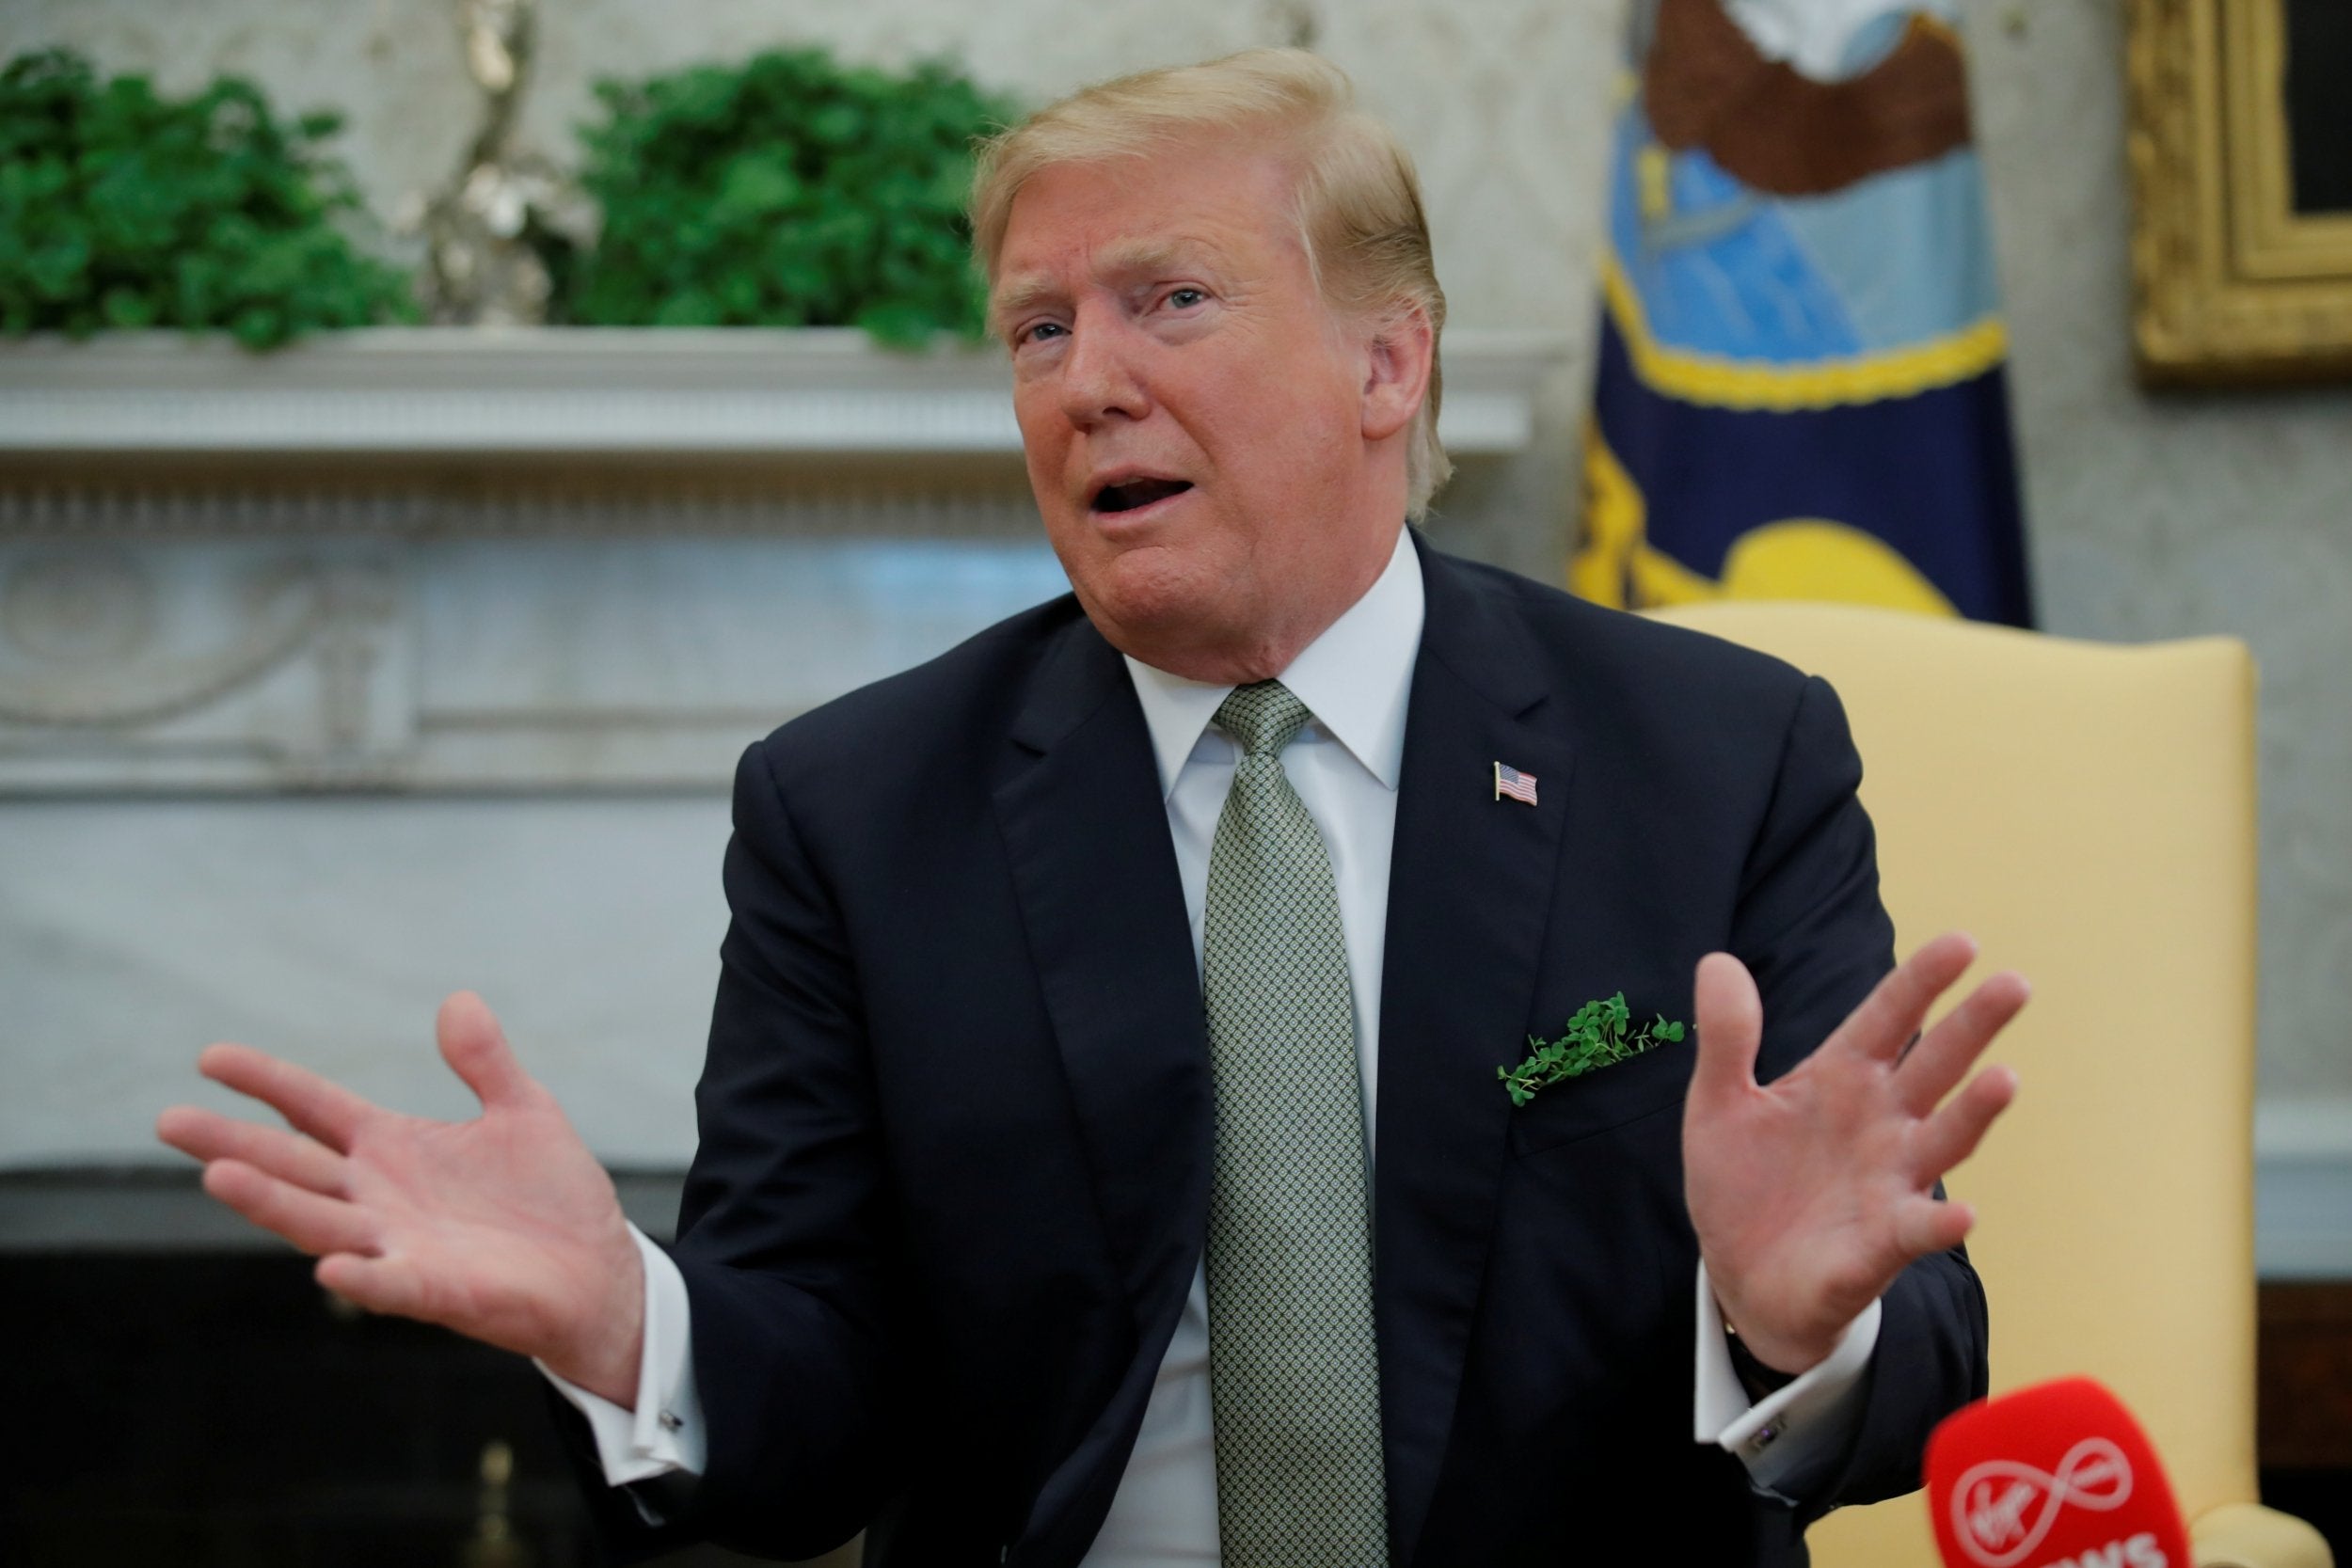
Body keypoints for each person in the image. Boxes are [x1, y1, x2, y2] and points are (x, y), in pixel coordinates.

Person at [158, 49, 2025, 1568]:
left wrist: (1795, 1321)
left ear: (1389, 360)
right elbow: (810, 1426)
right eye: (1035, 329)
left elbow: (1918, 1373)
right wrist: (630, 1324)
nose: (1084, 384)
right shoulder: (856, 810)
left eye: (1170, 303)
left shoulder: (1716, 757)